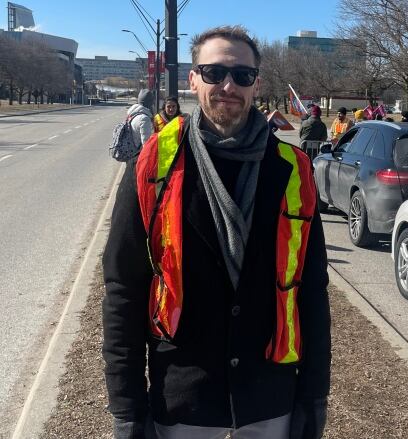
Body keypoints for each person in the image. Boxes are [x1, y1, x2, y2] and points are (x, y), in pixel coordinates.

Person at [103, 25, 331, 439]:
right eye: (213, 72)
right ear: (193, 79)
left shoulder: (293, 169)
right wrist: (127, 408)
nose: (228, 85)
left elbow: (311, 290)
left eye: (242, 75)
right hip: (185, 395)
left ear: (257, 84)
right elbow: (124, 289)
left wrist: (314, 395)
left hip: (270, 393)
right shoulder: (152, 165)